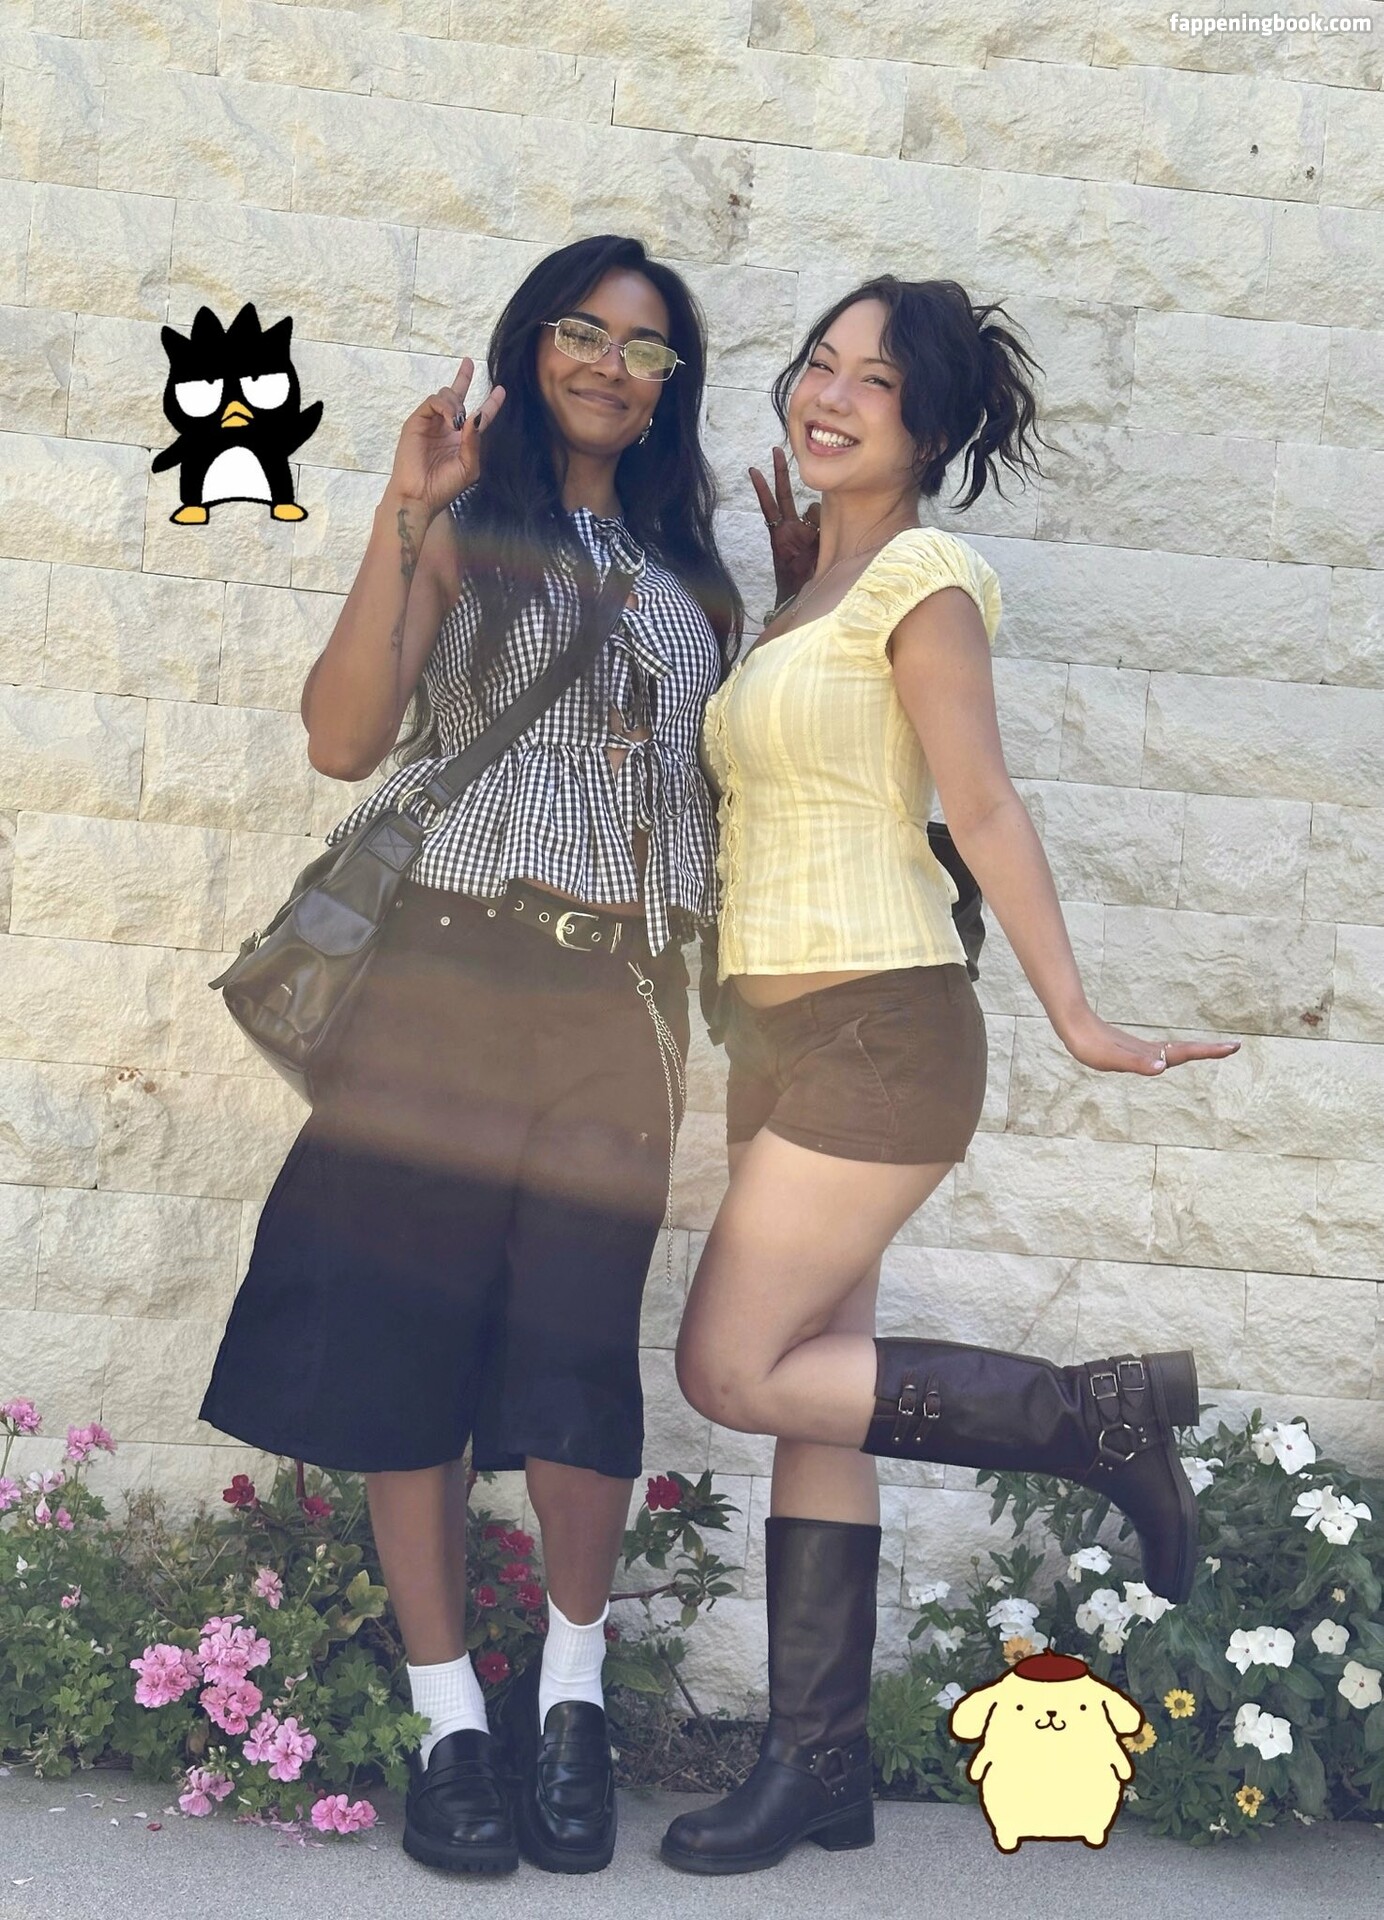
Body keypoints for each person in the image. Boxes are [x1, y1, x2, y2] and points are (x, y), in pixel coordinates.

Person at [659, 277, 1242, 1877]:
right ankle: (819, 1767)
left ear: (931, 425)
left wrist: (1077, 1013)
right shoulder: (816, 587)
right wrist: (796, 592)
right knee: (817, 1392)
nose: (830, 395)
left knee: (730, 1368)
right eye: (818, 364)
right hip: (778, 1040)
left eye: (877, 380)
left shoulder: (925, 578)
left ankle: (1090, 1419)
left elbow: (977, 804)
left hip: (882, 1028)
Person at [197, 234, 742, 1877]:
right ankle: (449, 1719)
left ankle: (569, 1698)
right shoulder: (463, 521)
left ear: (668, 388)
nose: (608, 365)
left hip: (619, 998)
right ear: (532, 346)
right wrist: (400, 510)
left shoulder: (695, 575)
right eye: (582, 331)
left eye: (644, 348)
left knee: (579, 1353)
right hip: (443, 973)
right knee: (404, 1350)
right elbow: (343, 740)